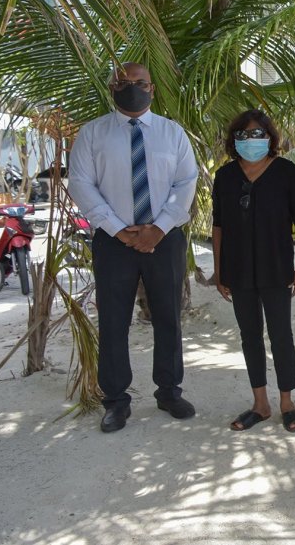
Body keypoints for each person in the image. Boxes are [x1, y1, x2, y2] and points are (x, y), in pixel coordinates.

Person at [69, 62, 198, 433]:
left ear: (152, 89)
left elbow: (185, 183)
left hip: (164, 238)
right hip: (113, 242)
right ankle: (115, 400)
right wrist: (117, 230)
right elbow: (81, 184)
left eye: (140, 82)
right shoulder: (93, 134)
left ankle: (169, 391)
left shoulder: (173, 134)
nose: (132, 88)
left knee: (168, 318)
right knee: (112, 321)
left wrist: (157, 229)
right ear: (112, 88)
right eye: (124, 83)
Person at [212, 109, 295, 432]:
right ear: (234, 140)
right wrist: (219, 270)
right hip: (238, 271)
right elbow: (218, 226)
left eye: (258, 134)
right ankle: (260, 404)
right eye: (243, 135)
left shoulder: (287, 173)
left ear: (269, 137)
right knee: (249, 336)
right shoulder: (225, 177)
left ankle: (287, 403)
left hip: (276, 268)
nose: (251, 141)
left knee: (281, 335)